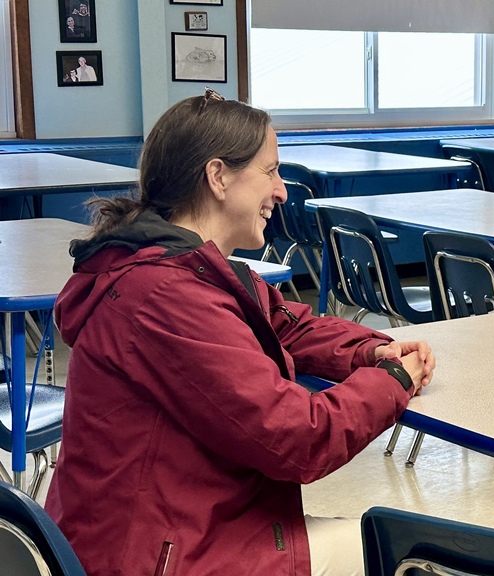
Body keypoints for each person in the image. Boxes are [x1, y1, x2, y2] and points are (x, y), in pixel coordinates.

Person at [45, 89, 435, 576]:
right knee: (408, 555)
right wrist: (393, 381)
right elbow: (298, 438)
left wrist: (372, 348)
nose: (282, 191)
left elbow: (284, 325)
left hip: (163, 531)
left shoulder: (183, 270)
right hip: (161, 555)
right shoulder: (166, 296)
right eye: (270, 171)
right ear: (218, 177)